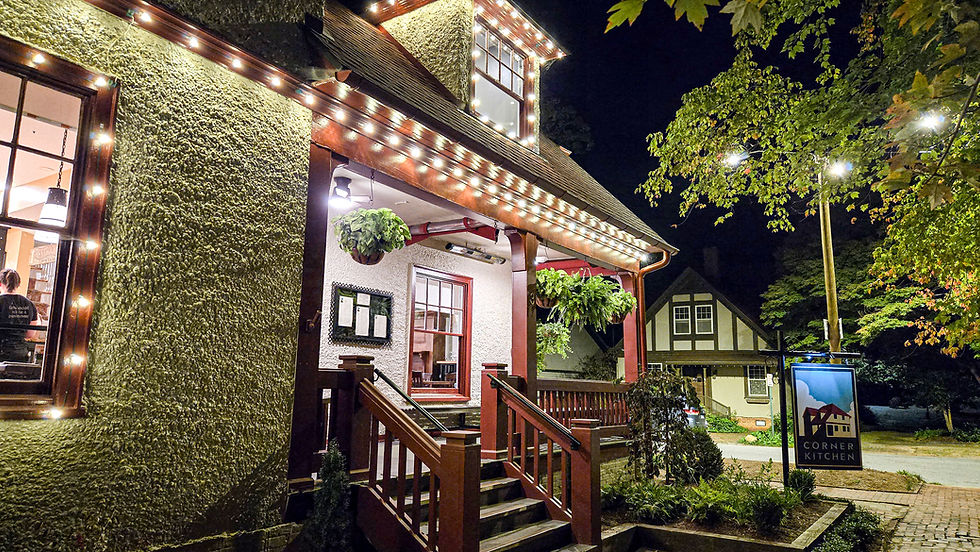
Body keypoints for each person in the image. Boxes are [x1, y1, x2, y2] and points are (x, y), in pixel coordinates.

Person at [0, 268, 40, 362]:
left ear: (0, 283)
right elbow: (30, 334)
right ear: (18, 284)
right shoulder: (29, 304)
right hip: (20, 353)